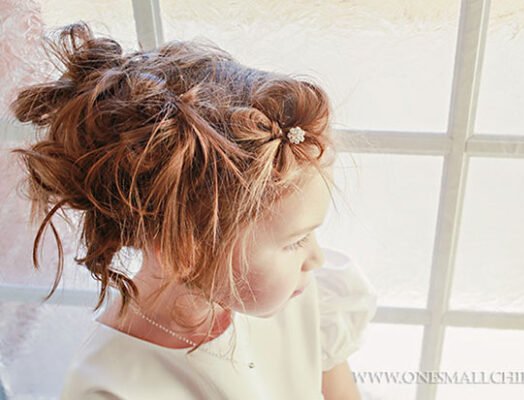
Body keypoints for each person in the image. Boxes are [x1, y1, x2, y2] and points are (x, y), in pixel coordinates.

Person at [10, 22, 377, 399]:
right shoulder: (112, 387)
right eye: (295, 241)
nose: (315, 258)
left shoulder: (298, 297)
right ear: (187, 249)